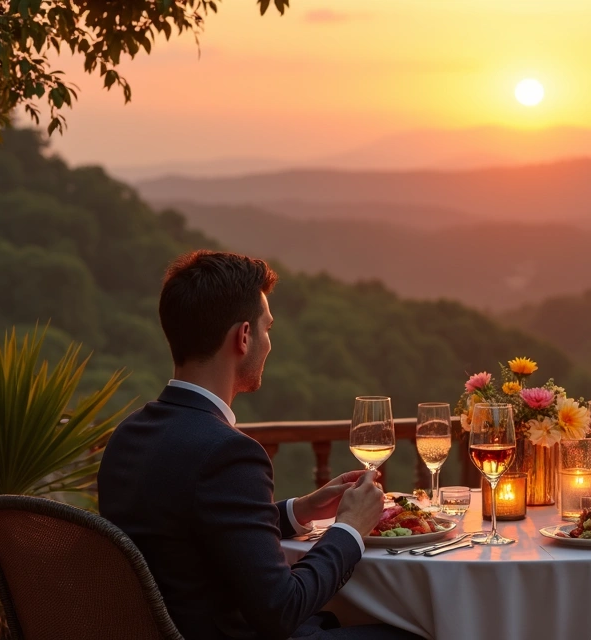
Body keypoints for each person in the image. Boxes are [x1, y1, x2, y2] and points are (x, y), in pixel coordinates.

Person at [99, 250, 419, 640]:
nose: (269, 343)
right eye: (267, 329)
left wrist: (299, 511)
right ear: (244, 336)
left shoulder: (128, 435)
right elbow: (281, 609)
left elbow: (193, 535)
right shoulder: (228, 452)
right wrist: (349, 529)